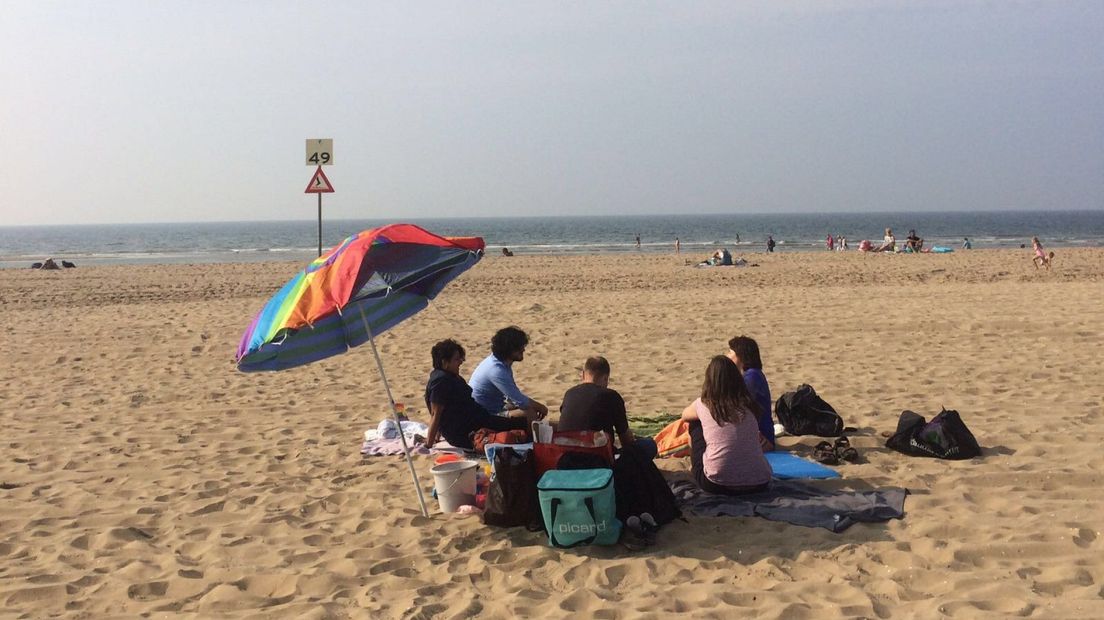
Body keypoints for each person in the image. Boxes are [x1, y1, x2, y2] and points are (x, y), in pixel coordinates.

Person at [680, 356, 772, 495]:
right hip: (760, 481)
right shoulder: (749, 405)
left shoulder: (704, 403)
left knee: (695, 423)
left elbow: (684, 415)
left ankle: (699, 464)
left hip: (717, 483)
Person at [423, 339, 532, 450]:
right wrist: (429, 444)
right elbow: (436, 414)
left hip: (478, 419)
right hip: (468, 430)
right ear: (444, 362)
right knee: (525, 426)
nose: (461, 362)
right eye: (456, 359)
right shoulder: (440, 382)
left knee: (522, 423)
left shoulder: (449, 376)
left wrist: (436, 436)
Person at [559, 356, 657, 459]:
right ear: (605, 378)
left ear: (583, 375)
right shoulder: (611, 396)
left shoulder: (569, 394)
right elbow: (626, 441)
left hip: (566, 457)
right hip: (599, 460)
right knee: (649, 444)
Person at [469, 326, 549, 419]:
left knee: (528, 407)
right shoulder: (496, 370)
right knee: (529, 412)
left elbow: (513, 396)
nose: (523, 350)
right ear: (509, 350)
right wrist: (541, 408)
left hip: (495, 406)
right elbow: (521, 401)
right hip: (486, 414)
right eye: (520, 347)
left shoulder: (501, 363)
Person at [726, 336, 774, 451]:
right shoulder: (751, 375)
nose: (727, 355)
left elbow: (741, 409)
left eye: (730, 352)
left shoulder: (752, 377)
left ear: (740, 355)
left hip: (761, 438)